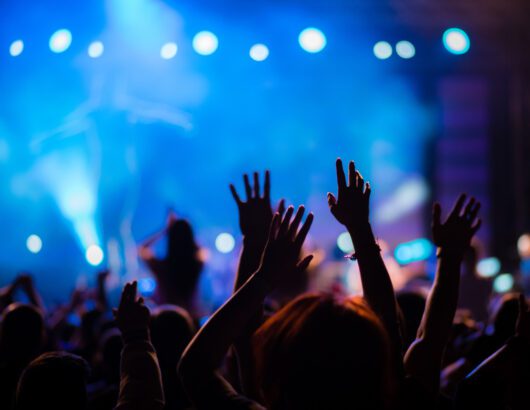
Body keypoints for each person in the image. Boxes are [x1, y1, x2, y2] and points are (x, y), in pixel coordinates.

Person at [138, 212, 203, 315]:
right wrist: (187, 231)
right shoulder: (198, 263)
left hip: (166, 316)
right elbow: (202, 250)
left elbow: (142, 249)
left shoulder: (162, 267)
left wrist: (165, 229)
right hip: (192, 316)